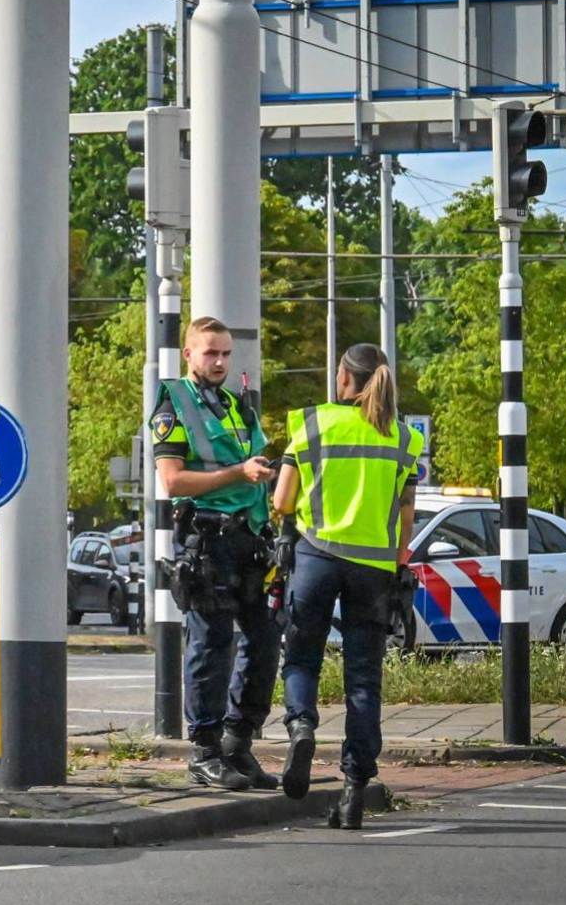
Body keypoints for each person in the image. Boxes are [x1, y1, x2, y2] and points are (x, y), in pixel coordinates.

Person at [270, 343, 424, 829]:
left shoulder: (313, 424)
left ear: (343, 380)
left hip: (317, 557)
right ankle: (354, 790)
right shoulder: (401, 438)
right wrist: (398, 558)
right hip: (373, 569)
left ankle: (301, 727)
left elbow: (282, 500)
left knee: (301, 656)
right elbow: (406, 516)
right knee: (363, 680)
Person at [152, 317, 280, 790]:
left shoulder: (238, 406)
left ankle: (237, 742)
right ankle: (204, 753)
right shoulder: (173, 406)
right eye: (211, 353)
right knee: (211, 644)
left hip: (250, 540)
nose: (221, 361)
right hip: (206, 540)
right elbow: (172, 481)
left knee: (266, 639)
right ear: (189, 355)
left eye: (225, 353)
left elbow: (257, 465)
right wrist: (237, 474)